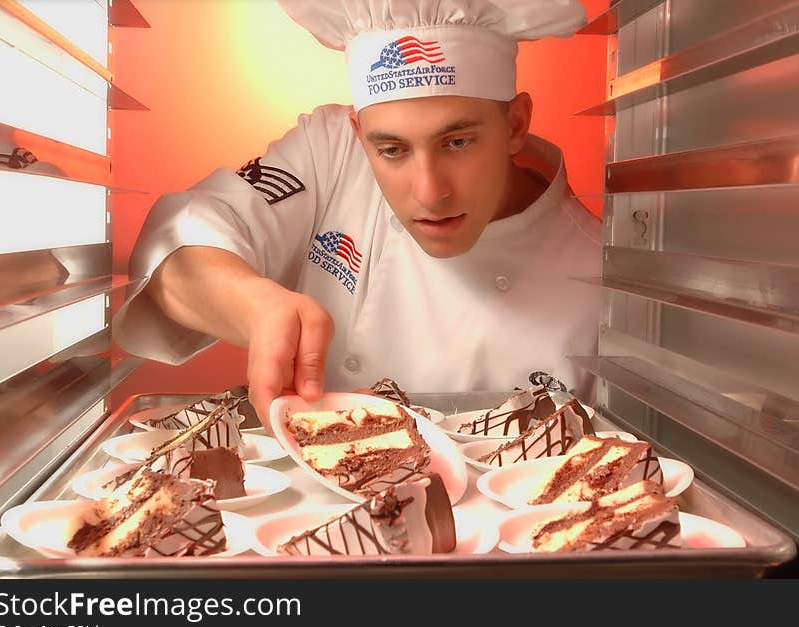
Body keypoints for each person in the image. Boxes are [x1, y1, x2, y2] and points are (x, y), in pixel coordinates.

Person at [114, 0, 603, 427]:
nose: (430, 193)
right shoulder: (330, 153)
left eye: (457, 142)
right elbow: (180, 243)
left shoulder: (597, 277)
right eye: (391, 149)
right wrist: (255, 308)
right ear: (357, 131)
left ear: (515, 124)